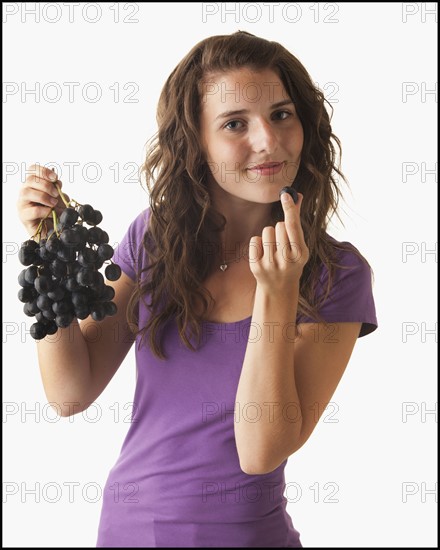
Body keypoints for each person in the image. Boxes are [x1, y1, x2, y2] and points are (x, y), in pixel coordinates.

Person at [17, 31, 378, 548]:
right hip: (125, 532)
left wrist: (276, 292)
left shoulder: (335, 274)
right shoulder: (155, 239)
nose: (269, 141)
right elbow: (70, 393)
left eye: (281, 114)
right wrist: (48, 258)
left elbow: (261, 450)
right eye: (235, 123)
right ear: (197, 144)